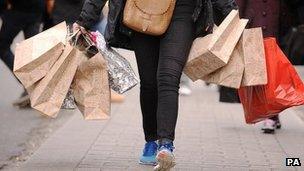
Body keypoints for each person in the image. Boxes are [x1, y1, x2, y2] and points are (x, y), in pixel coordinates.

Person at [74, 0, 237, 170]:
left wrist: (231, 13)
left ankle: (166, 144)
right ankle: (151, 140)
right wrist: (85, 19)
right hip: (142, 8)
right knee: (149, 82)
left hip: (183, 9)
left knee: (169, 76)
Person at [235, 0, 304, 134]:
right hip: (256, 22)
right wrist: (237, 21)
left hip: (281, 23)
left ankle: (272, 114)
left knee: (275, 72)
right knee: (264, 72)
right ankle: (270, 115)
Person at [0, 0, 44, 107]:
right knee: (31, 50)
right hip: (36, 8)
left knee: (2, 47)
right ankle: (35, 86)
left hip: (17, 10)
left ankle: (29, 84)